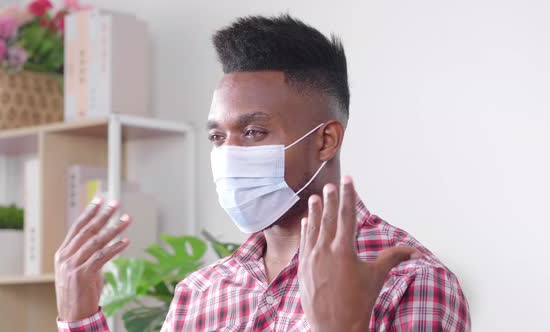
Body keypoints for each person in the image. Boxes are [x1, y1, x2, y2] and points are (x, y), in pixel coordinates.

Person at [56, 14, 470, 332]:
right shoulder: (200, 294)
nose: (230, 155)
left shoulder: (410, 281)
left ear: (325, 140)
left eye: (254, 132)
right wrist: (80, 318)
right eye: (218, 137)